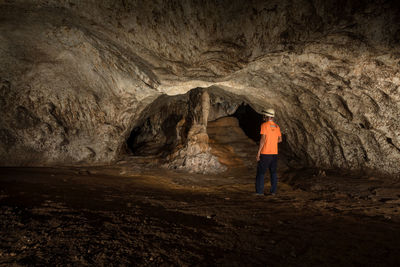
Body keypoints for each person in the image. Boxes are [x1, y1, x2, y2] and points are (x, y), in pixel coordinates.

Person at [255, 108, 282, 196]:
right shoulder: (277, 126)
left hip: (265, 152)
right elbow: (280, 139)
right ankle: (273, 191)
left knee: (261, 173)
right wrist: (272, 142)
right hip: (274, 153)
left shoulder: (264, 125)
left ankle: (259, 192)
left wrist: (259, 152)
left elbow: (263, 139)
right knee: (273, 172)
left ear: (267, 116)